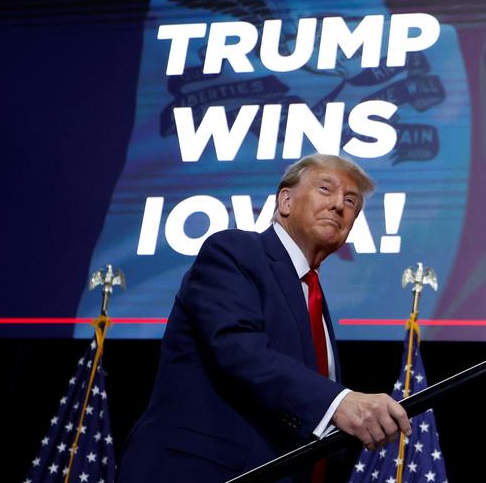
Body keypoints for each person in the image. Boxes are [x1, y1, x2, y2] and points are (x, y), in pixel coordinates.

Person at [117, 154, 411, 482]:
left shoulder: (312, 294)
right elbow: (237, 349)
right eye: (325, 189)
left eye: (351, 201)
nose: (339, 205)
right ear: (285, 200)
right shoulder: (235, 251)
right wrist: (339, 402)